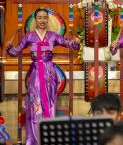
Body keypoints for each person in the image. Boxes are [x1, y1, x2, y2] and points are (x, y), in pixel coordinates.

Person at [6, 8, 80, 145]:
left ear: (48, 19)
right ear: (35, 19)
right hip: (35, 74)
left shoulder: (53, 36)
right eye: (39, 17)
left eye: (45, 18)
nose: (42, 20)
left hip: (50, 74)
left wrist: (75, 42)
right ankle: (33, 140)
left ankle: (48, 139)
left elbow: (70, 44)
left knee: (50, 106)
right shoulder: (29, 36)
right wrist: (9, 47)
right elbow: (15, 51)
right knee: (35, 106)